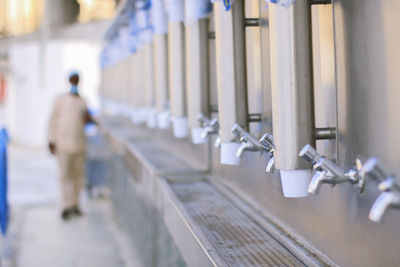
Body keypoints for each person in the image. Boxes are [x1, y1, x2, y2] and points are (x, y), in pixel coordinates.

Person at [48, 71, 96, 220]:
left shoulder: (83, 101)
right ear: (69, 81)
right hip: (63, 144)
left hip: (79, 145)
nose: (74, 81)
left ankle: (75, 204)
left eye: (77, 79)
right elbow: (52, 121)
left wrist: (89, 118)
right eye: (73, 79)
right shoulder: (60, 100)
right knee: (64, 176)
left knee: (78, 177)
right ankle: (66, 205)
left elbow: (88, 122)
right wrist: (51, 141)